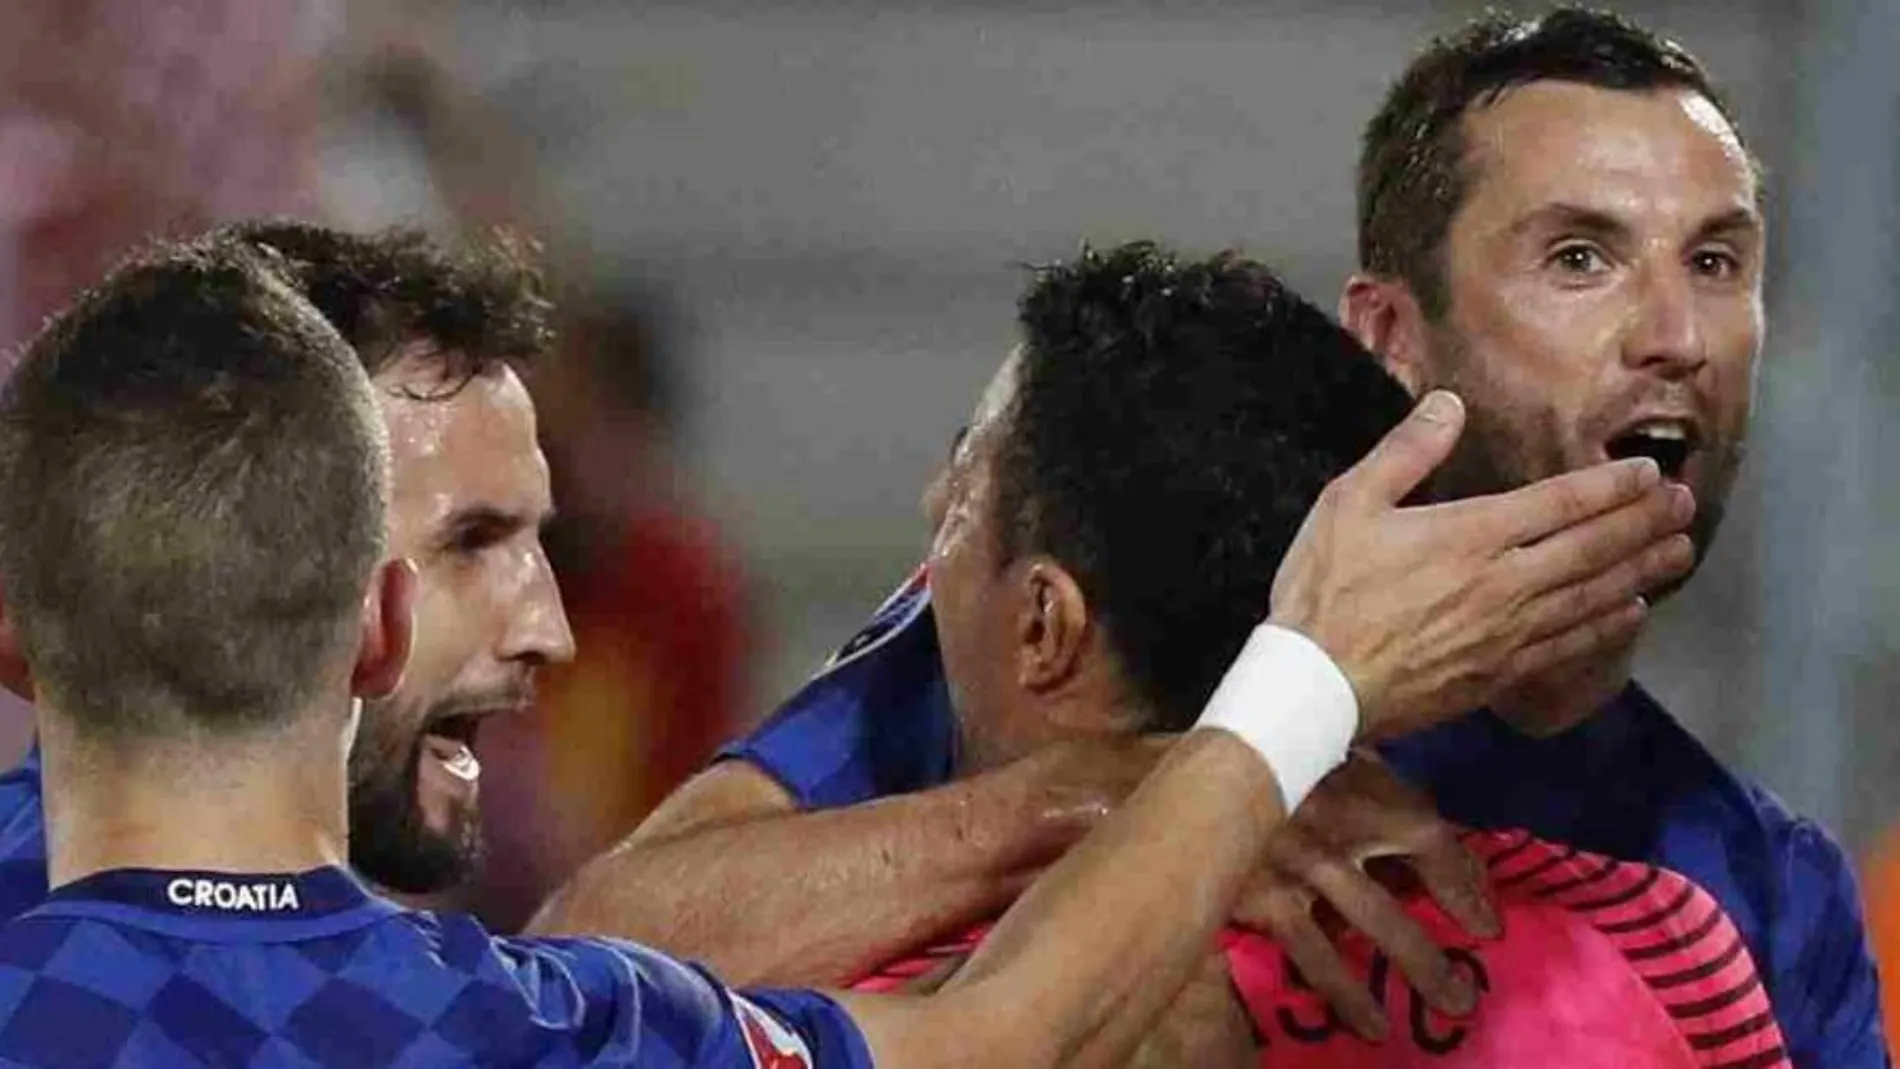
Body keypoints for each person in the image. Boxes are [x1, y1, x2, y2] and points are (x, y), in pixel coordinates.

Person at [533, 10, 1886, 1069]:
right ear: (1388, 337)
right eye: (1581, 258)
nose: (1676, 335)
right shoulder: (1118, 592)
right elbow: (595, 954)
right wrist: (1173, 785)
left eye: (1717, 261)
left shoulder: (1764, 889)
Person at [0, 236, 1673, 1066]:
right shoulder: (476, 1020)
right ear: (352, 607)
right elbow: (993, 1033)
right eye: (473, 544)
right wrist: (1298, 687)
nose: (555, 624)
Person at [838, 240, 1783, 1068]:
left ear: (1047, 625)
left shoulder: (885, 1005)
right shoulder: (1663, 947)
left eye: (963, 488)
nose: (932, 506)